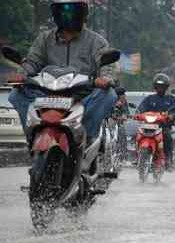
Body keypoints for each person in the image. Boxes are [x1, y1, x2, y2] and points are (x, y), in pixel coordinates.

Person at [8, 0, 117, 141]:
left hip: (82, 96)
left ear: (83, 14)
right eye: (63, 11)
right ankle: (33, 133)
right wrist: (21, 74)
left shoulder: (97, 41)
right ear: (55, 14)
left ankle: (86, 135)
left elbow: (105, 66)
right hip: (46, 94)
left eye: (73, 11)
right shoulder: (44, 39)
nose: (68, 15)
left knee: (109, 95)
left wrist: (105, 78)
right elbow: (32, 62)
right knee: (16, 94)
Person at [137, 73, 175, 167]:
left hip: (163, 126)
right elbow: (141, 108)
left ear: (166, 87)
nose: (160, 88)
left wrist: (172, 116)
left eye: (162, 86)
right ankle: (138, 156)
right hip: (148, 126)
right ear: (155, 87)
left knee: (167, 137)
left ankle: (168, 158)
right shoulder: (149, 99)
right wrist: (138, 114)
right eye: (158, 86)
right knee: (137, 135)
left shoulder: (170, 99)